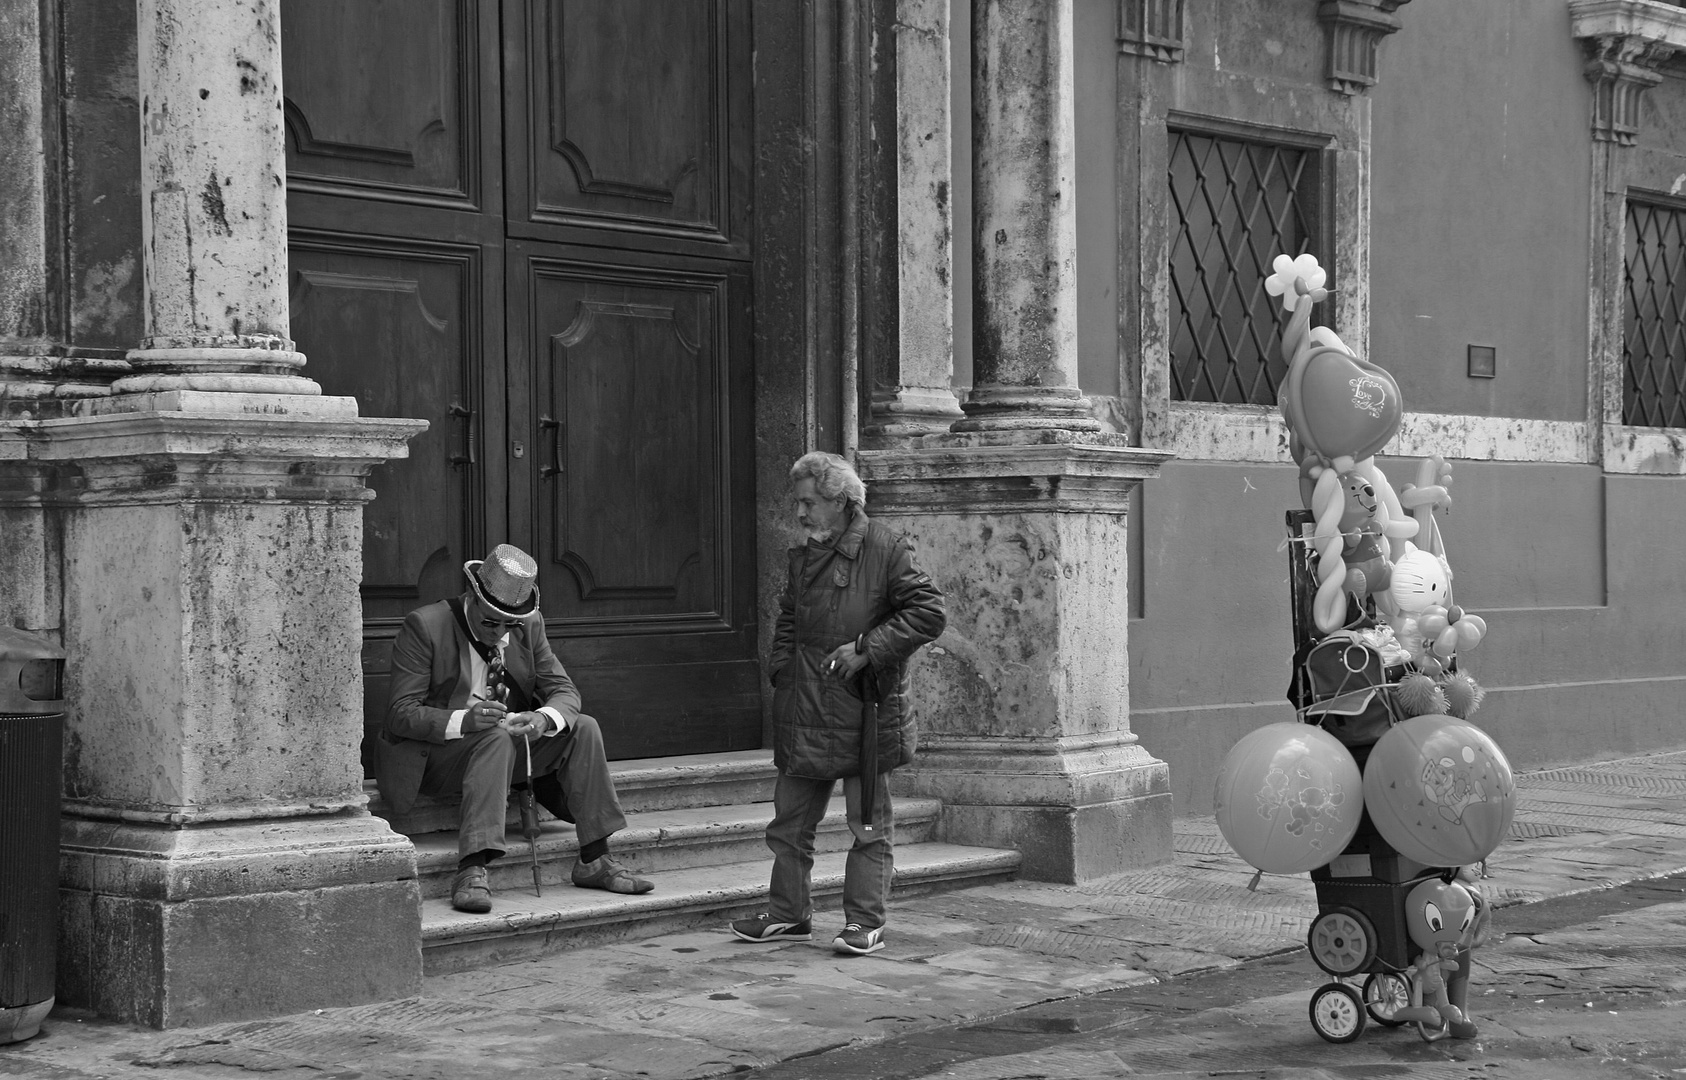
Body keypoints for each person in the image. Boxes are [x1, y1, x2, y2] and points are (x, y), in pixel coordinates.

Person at [731, 452, 945, 956]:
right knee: (788, 826)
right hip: (804, 706)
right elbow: (788, 618)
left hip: (863, 711)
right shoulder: (804, 556)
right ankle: (788, 914)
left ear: (841, 501)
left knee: (868, 826)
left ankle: (864, 922)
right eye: (798, 503)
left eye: (809, 503)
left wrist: (868, 648)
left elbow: (928, 611)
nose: (801, 514)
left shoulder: (888, 548)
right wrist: (782, 671)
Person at [379, 544, 653, 913]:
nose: (500, 633)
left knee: (583, 728)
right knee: (493, 735)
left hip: (505, 751)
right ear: (472, 599)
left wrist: (544, 719)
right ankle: (472, 869)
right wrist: (464, 720)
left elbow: (564, 691)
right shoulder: (425, 625)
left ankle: (594, 858)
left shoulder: (529, 625)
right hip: (438, 757)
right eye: (491, 621)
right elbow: (400, 713)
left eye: (510, 624)